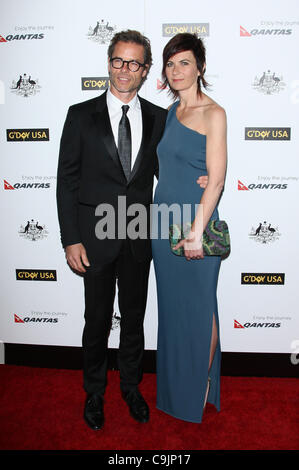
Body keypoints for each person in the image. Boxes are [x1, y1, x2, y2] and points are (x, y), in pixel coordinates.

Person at [57, 29, 208, 430]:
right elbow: (67, 181)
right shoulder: (79, 114)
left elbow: (170, 169)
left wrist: (202, 178)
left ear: (145, 71)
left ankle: (130, 386)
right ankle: (94, 392)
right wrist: (70, 237)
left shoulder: (161, 118)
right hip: (93, 238)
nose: (125, 71)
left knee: (135, 318)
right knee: (96, 319)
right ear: (109, 63)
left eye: (135, 64)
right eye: (118, 61)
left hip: (142, 236)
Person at [152, 33, 227, 423]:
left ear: (200, 66)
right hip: (162, 223)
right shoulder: (170, 113)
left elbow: (216, 180)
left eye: (184, 62)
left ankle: (202, 385)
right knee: (174, 312)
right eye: (170, 63)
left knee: (201, 309)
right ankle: (176, 390)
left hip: (194, 224)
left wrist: (198, 230)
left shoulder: (214, 113)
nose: (176, 70)